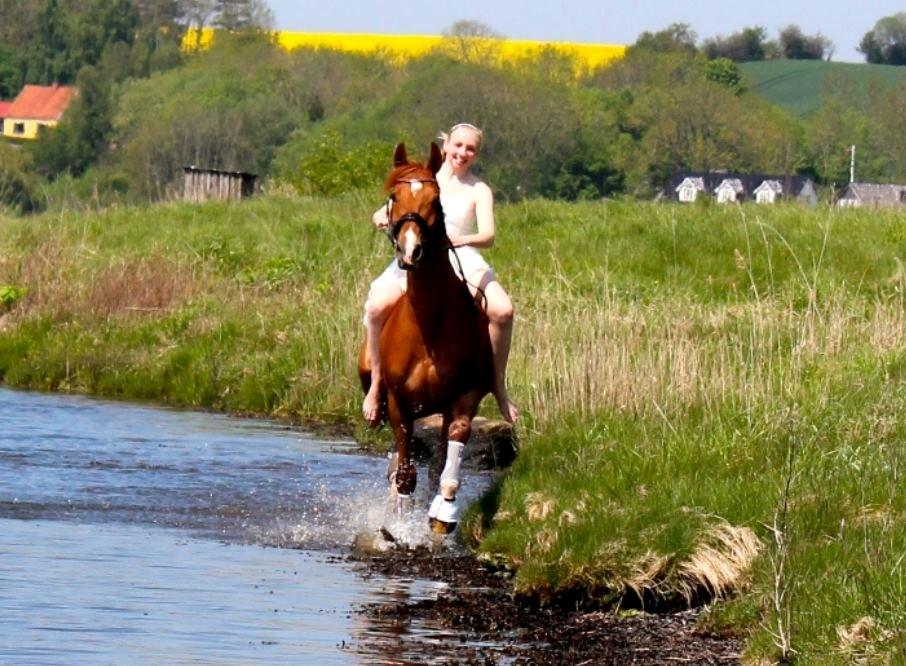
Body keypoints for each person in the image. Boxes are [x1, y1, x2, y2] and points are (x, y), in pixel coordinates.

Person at [362, 122, 519, 426]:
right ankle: (377, 384)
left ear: (476, 154)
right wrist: (380, 218)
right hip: (418, 259)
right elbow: (388, 209)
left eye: (470, 148)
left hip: (462, 258)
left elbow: (488, 235)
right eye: (458, 146)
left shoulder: (479, 189)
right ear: (446, 146)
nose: (463, 153)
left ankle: (498, 386)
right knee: (376, 307)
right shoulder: (422, 178)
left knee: (503, 310)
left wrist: (461, 240)